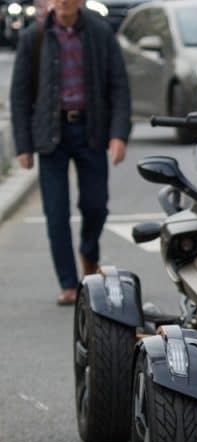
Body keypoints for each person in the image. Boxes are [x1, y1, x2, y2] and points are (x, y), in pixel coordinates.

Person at [9, 0, 131, 306]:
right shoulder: (33, 37)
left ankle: (89, 254)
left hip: (90, 131)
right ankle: (68, 283)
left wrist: (118, 134)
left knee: (96, 206)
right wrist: (23, 146)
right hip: (51, 134)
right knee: (56, 212)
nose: (63, 2)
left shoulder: (100, 33)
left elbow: (119, 85)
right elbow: (20, 95)